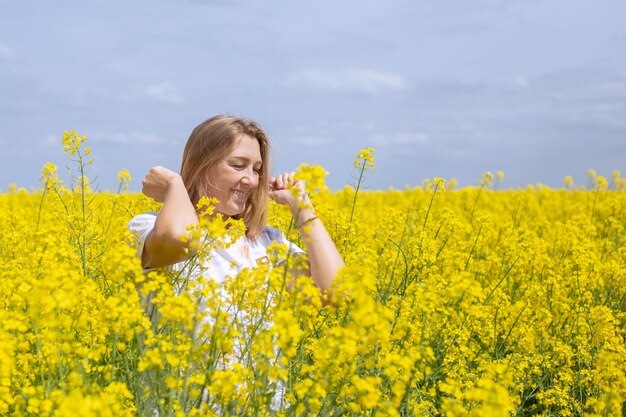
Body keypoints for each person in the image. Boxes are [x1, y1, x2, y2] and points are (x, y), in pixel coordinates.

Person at [128, 115, 344, 305]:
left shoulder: (267, 243)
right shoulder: (147, 226)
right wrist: (175, 186)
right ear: (199, 166)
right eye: (238, 165)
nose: (251, 181)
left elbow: (338, 292)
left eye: (257, 170)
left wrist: (302, 207)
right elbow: (179, 239)